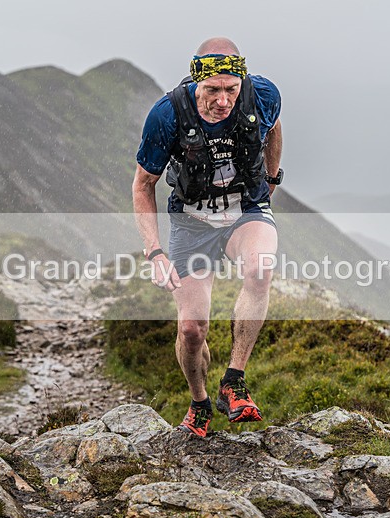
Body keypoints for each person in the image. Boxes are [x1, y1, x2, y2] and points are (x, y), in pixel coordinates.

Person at [132, 37, 283, 438]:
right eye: (212, 90)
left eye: (231, 89)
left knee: (260, 269)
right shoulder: (167, 115)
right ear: (197, 81)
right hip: (191, 222)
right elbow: (143, 184)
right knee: (191, 330)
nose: (222, 99)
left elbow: (274, 125)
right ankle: (199, 402)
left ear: (241, 80)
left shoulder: (262, 94)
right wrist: (155, 253)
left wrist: (271, 178)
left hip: (245, 210)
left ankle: (233, 381)